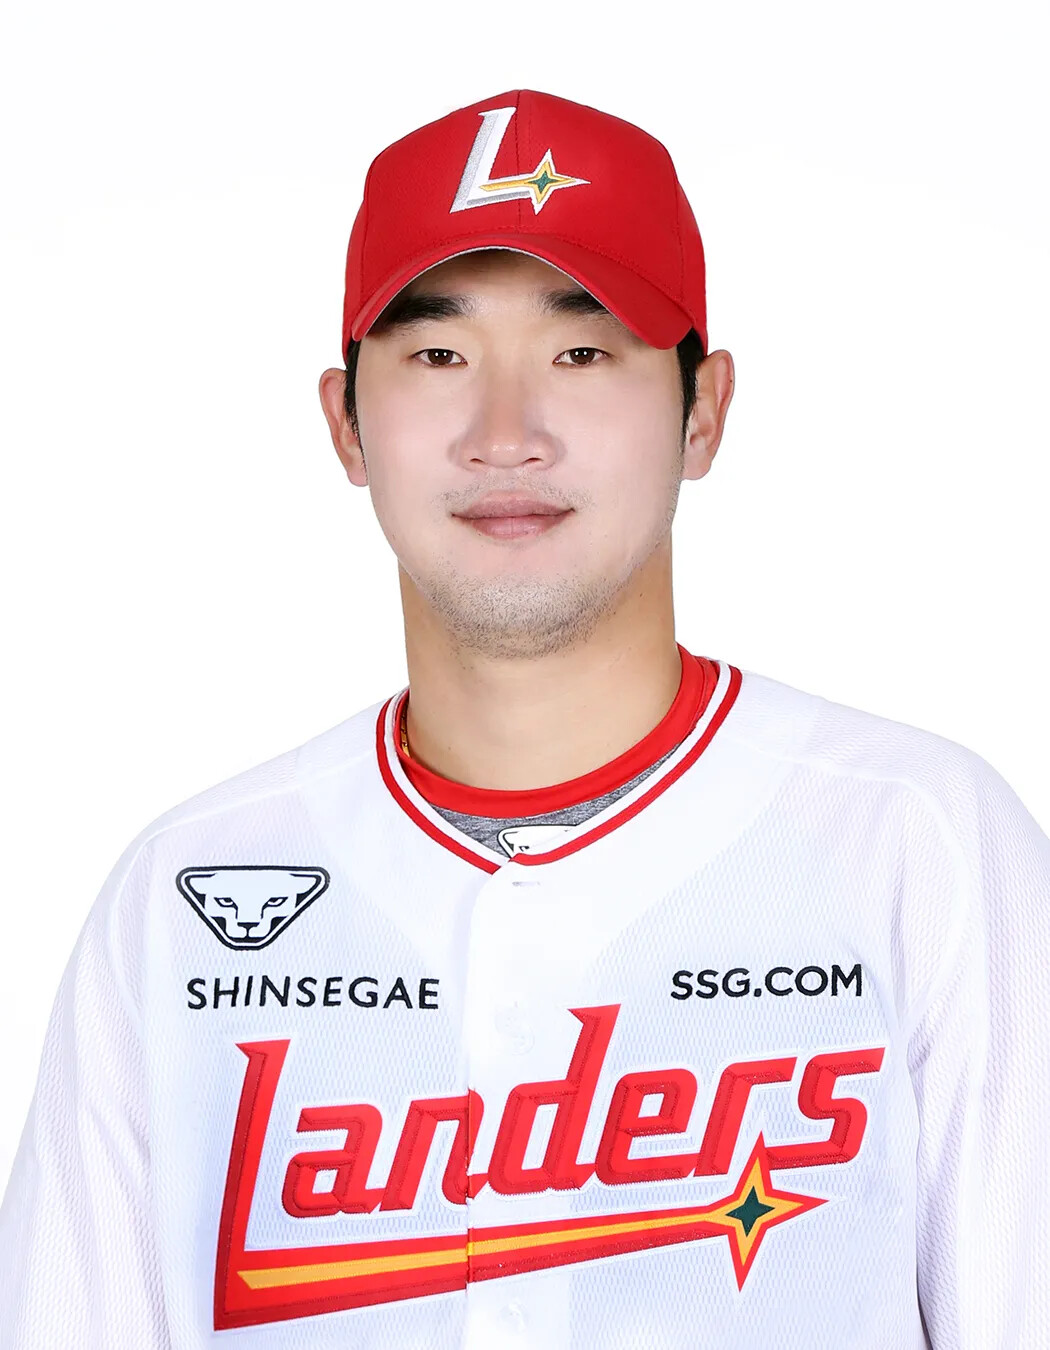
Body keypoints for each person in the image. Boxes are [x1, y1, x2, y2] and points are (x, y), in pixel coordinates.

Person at [0, 87, 1046, 1350]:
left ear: (704, 410)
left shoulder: (917, 841)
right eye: (438, 357)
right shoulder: (181, 897)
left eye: (582, 352)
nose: (506, 436)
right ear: (344, 424)